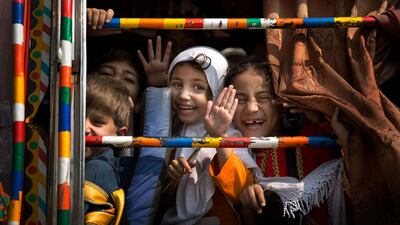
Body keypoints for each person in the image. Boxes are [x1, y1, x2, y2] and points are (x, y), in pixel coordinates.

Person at [224, 57, 347, 225]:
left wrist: (319, 118)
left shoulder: (311, 140)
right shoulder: (233, 156)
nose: (252, 108)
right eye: (241, 99)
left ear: (281, 104)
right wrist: (248, 204)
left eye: (263, 97)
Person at [160, 46, 256, 225]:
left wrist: (218, 137)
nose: (183, 95)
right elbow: (158, 206)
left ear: (218, 91)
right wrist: (173, 179)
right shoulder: (168, 132)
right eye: (176, 84)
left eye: (198, 87)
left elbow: (240, 192)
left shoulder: (233, 134)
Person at [84, 75, 132, 225]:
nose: (84, 128)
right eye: (76, 116)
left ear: (120, 134)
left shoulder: (97, 169)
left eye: (97, 122)